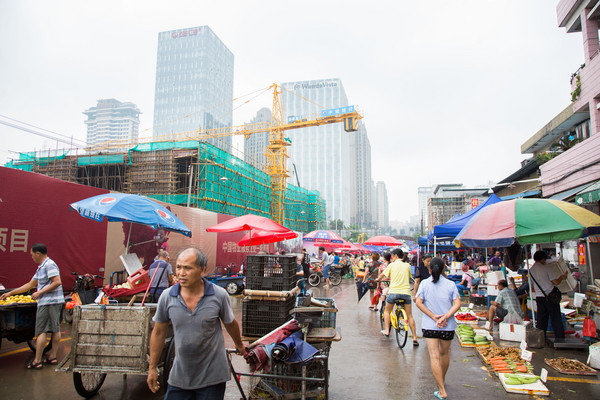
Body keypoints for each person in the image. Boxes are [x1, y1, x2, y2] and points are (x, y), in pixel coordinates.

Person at [147, 247, 245, 399]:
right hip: (180, 376)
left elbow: (230, 323)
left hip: (212, 377)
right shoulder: (167, 297)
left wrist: (239, 345)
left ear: (202, 270)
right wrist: (152, 368)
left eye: (187, 268)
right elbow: (159, 332)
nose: (181, 273)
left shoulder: (219, 295)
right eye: (178, 267)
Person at [0, 243, 65, 369]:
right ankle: (52, 357)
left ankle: (37, 361)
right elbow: (30, 285)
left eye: (32, 255)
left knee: (42, 331)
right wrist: (10, 293)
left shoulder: (49, 264)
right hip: (53, 301)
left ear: (38, 253)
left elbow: (57, 282)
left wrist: (40, 292)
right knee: (55, 329)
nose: (32, 257)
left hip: (48, 302)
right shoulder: (41, 267)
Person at [415, 257, 461, 400]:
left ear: (429, 269)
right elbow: (457, 304)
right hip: (448, 326)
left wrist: (434, 317)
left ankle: (441, 389)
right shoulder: (451, 284)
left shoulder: (424, 283)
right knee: (444, 354)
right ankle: (442, 380)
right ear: (443, 269)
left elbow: (418, 302)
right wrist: (445, 317)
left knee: (434, 356)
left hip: (430, 326)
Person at [378, 249, 419, 346]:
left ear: (395, 256)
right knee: (410, 316)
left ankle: (387, 330)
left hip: (393, 293)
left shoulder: (391, 265)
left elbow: (382, 275)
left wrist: (377, 279)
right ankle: (414, 337)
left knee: (387, 311)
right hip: (406, 293)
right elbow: (409, 277)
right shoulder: (407, 265)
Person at [529, 250, 569, 340]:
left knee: (541, 320)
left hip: (539, 298)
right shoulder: (546, 268)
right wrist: (562, 277)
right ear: (543, 259)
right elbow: (555, 282)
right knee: (556, 319)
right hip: (550, 297)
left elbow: (532, 285)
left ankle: (541, 339)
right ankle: (560, 338)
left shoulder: (531, 270)